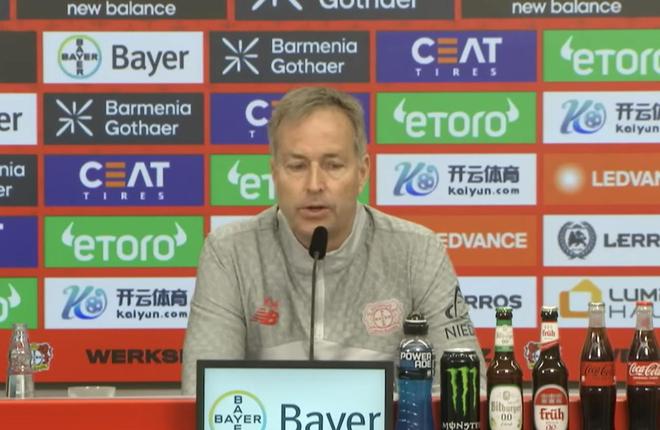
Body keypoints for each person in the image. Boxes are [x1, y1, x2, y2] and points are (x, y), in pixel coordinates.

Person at [181, 86, 486, 395]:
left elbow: (466, 389)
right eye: (297, 166)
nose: (314, 184)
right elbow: (202, 395)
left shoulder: (417, 252)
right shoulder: (230, 253)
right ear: (274, 173)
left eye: (333, 165)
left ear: (362, 172)